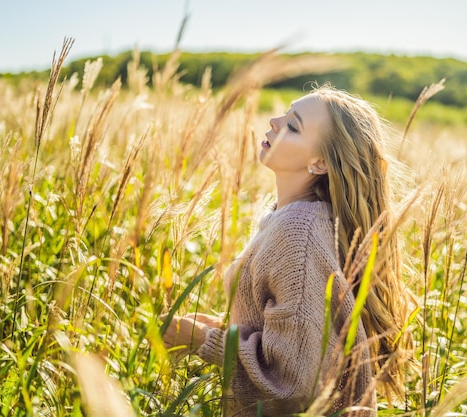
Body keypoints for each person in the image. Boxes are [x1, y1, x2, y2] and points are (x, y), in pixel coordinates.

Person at [163, 84, 417, 416]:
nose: (274, 121)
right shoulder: (296, 217)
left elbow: (294, 386)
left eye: (293, 125)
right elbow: (300, 342)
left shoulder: (298, 232)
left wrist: (205, 343)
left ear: (320, 162)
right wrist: (226, 332)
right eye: (286, 113)